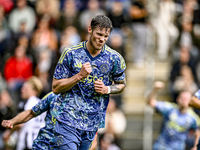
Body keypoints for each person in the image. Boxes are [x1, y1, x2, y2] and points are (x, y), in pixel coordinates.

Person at [52, 14, 126, 149]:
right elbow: (56, 87)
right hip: (67, 121)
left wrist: (107, 89)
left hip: (92, 125)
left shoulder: (114, 59)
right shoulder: (70, 53)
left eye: (105, 36)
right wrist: (79, 76)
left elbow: (122, 85)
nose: (102, 39)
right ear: (90, 29)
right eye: (99, 34)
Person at [2, 91, 98, 150]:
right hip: (43, 146)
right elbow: (31, 113)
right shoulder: (53, 96)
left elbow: (93, 142)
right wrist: (12, 121)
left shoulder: (88, 107)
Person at [147, 81, 200, 150]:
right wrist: (155, 89)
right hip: (161, 146)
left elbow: (197, 132)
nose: (184, 100)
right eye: (182, 98)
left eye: (186, 98)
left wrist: (195, 146)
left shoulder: (193, 118)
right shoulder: (170, 109)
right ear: (178, 99)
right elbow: (151, 102)